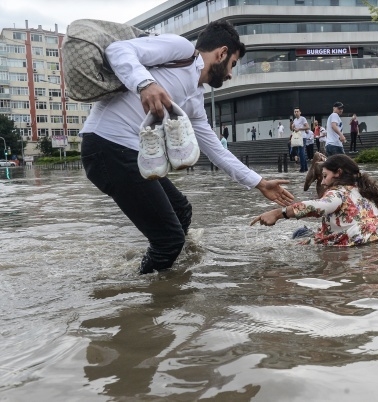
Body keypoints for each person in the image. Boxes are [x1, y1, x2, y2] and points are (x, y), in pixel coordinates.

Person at [80, 20, 294, 275]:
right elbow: (117, 50)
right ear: (222, 53)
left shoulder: (194, 99)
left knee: (182, 211)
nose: (230, 74)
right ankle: (142, 296)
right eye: (232, 65)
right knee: (169, 240)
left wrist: (259, 182)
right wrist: (145, 84)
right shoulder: (180, 49)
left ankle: (167, 274)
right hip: (107, 147)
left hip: (130, 155)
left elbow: (215, 149)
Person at [251, 154, 378, 246]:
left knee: (299, 234)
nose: (323, 182)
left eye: (325, 176)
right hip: (372, 242)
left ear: (338, 173)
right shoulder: (364, 191)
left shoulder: (339, 194)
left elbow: (317, 206)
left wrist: (278, 213)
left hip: (348, 246)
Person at [291, 107, 309, 172]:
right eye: (295, 111)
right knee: (301, 152)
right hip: (298, 137)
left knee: (301, 152)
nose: (296, 113)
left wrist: (299, 129)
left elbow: (307, 127)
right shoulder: (295, 120)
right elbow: (293, 128)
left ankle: (303, 168)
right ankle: (305, 168)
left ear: (300, 112)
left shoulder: (302, 118)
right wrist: (293, 127)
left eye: (297, 111)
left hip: (302, 137)